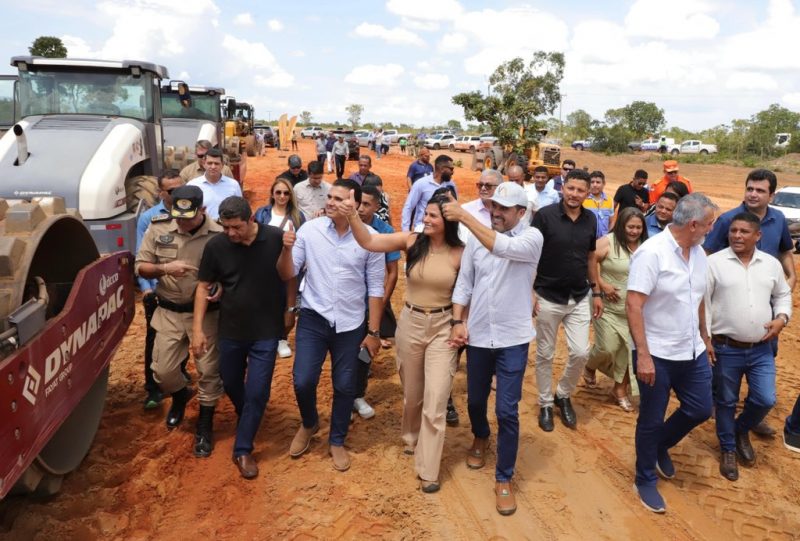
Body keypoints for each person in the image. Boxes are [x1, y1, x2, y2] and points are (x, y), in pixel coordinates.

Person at [338, 187, 463, 492]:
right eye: (425, 214)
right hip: (411, 323)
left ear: (448, 221)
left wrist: (461, 324)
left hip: (443, 327)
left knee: (436, 399)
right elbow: (369, 242)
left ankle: (428, 469)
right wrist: (352, 214)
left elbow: (468, 292)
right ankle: (411, 436)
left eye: (433, 216)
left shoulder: (461, 253)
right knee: (413, 393)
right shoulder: (412, 241)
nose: (426, 219)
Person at [444, 182, 543, 516]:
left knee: (507, 410)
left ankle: (504, 477)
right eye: (494, 207)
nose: (496, 213)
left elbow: (501, 247)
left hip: (513, 338)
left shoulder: (531, 238)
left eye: (504, 208)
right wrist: (457, 320)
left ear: (521, 212)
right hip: (479, 334)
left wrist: (463, 216)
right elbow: (465, 282)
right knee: (474, 400)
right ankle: (481, 435)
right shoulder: (477, 238)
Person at [278, 180, 385, 472]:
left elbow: (376, 288)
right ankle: (309, 422)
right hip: (313, 318)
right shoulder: (309, 231)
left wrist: (374, 332)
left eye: (339, 199)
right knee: (303, 380)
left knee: (345, 385)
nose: (330, 202)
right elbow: (288, 273)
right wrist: (286, 250)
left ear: (354, 204)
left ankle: (337, 439)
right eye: (330, 197)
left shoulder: (372, 239)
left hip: (350, 324)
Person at [627, 193, 718, 513]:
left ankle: (659, 445)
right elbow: (633, 304)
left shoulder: (699, 252)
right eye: (709, 223)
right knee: (651, 419)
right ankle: (644, 478)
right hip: (657, 353)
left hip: (691, 350)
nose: (711, 229)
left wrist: (704, 336)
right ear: (693, 225)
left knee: (700, 408)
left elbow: (698, 298)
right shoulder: (652, 253)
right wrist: (643, 355)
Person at [192, 196, 294, 479]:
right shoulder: (216, 246)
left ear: (251, 219)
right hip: (231, 329)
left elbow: (289, 277)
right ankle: (249, 411)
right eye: (225, 227)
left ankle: (243, 449)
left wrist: (290, 309)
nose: (230, 233)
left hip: (266, 330)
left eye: (236, 227)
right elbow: (203, 287)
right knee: (230, 381)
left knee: (258, 391)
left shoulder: (275, 239)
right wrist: (197, 329)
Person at [704, 169, 797, 437]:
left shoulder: (778, 219)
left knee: (762, 360)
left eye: (760, 190)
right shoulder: (728, 220)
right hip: (730, 300)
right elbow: (707, 254)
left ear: (772, 195)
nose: (753, 194)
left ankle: (750, 417)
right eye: (750, 189)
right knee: (725, 369)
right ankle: (720, 408)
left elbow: (784, 250)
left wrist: (790, 277)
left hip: (766, 304)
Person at [135, 185, 224, 457]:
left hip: (206, 315)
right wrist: (164, 268)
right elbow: (141, 266)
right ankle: (180, 395)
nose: (182, 223)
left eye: (188, 217)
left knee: (208, 370)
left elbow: (232, 271)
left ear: (202, 210)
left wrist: (222, 286)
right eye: (178, 216)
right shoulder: (159, 227)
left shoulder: (219, 234)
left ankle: (205, 424)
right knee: (162, 372)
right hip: (169, 311)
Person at [706, 212, 791, 481]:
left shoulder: (771, 264)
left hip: (761, 347)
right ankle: (728, 449)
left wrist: (782, 318)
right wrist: (705, 339)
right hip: (725, 348)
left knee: (765, 399)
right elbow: (702, 304)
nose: (737, 236)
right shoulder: (714, 263)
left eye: (744, 232)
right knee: (725, 401)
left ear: (758, 235)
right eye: (733, 231)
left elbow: (782, 295)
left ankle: (740, 429)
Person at [532, 168, 604, 432]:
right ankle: (545, 403)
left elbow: (590, 257)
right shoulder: (544, 216)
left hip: (579, 295)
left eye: (580, 190)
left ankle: (562, 394)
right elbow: (531, 255)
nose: (574, 194)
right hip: (547, 295)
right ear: (563, 188)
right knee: (545, 353)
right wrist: (530, 291)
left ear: (588, 193)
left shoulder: (590, 219)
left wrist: (596, 291)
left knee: (581, 352)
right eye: (570, 188)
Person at [583, 208, 648, 411]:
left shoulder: (647, 246)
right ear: (621, 225)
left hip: (634, 310)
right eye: (630, 227)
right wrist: (602, 285)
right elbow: (589, 260)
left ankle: (619, 390)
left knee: (627, 350)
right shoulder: (608, 242)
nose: (634, 231)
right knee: (607, 347)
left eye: (638, 227)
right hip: (606, 306)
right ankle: (590, 365)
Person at [135, 170, 187, 409]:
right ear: (161, 193)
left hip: (185, 290)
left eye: (180, 188)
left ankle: (179, 379)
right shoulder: (149, 219)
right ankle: (153, 389)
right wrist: (146, 289)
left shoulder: (193, 211)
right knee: (155, 340)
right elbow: (141, 256)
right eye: (172, 191)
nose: (178, 194)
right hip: (159, 290)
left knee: (184, 336)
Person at [350, 185, 401, 419]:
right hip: (347, 302)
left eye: (366, 204)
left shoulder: (385, 231)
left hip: (371, 302)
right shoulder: (345, 224)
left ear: (377, 207)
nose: (360, 208)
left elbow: (392, 273)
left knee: (366, 350)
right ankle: (346, 395)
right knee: (345, 352)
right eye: (358, 203)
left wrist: (380, 304)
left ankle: (358, 394)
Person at [254, 178, 307, 358]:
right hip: (264, 265)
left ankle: (282, 338)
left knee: (289, 302)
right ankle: (267, 336)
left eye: (286, 193)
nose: (282, 196)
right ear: (272, 194)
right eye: (278, 192)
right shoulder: (262, 213)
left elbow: (304, 241)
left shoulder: (298, 216)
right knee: (265, 301)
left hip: (290, 264)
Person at [402, 155, 458, 231]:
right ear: (442, 169)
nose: (452, 172)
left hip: (444, 230)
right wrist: (405, 230)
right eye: (451, 169)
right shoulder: (421, 184)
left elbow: (455, 207)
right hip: (423, 228)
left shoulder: (451, 185)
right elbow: (408, 207)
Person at [187, 148, 242, 220]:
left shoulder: (233, 185)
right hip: (203, 226)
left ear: (222, 165)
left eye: (216, 163)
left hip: (226, 225)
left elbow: (240, 209)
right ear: (204, 164)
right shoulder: (192, 185)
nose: (213, 167)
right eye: (210, 163)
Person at [583, 170, 614, 238]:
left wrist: (608, 237)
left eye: (598, 182)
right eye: (592, 182)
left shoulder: (610, 200)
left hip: (603, 240)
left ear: (604, 184)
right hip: (586, 239)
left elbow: (611, 222)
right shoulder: (583, 199)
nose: (595, 185)